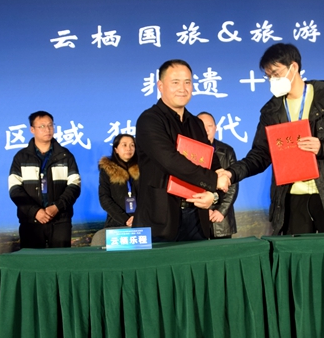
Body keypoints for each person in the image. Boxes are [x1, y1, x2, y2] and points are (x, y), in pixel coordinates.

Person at [220, 43, 324, 235]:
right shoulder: (271, 111)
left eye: (276, 73)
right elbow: (260, 154)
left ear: (293, 67)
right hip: (293, 198)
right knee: (297, 252)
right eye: (268, 76)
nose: (272, 80)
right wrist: (231, 173)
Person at [133, 59, 230, 242]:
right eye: (175, 82)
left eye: (187, 82)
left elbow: (214, 165)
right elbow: (170, 160)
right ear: (160, 86)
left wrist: (214, 195)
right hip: (160, 220)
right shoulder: (149, 120)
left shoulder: (197, 124)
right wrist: (213, 180)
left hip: (197, 218)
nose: (183, 88)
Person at [8, 111, 81, 248]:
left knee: (61, 259)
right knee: (32, 260)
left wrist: (57, 207)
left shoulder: (65, 156)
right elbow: (15, 189)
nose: (47, 129)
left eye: (50, 125)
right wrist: (35, 211)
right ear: (32, 130)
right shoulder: (21, 157)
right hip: (31, 221)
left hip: (60, 219)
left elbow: (74, 185)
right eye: (42, 126)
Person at [197, 112, 239, 238]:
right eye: (201, 126)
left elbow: (233, 185)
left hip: (221, 218)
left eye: (209, 126)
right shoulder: (188, 150)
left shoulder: (227, 151)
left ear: (216, 128)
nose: (206, 129)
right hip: (196, 215)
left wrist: (221, 210)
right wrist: (203, 210)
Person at [98, 134, 139, 228]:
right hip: (116, 223)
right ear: (116, 149)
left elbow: (148, 197)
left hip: (140, 221)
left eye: (132, 145)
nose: (129, 148)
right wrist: (125, 219)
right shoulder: (107, 170)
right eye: (124, 145)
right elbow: (104, 198)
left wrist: (138, 217)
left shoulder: (142, 168)